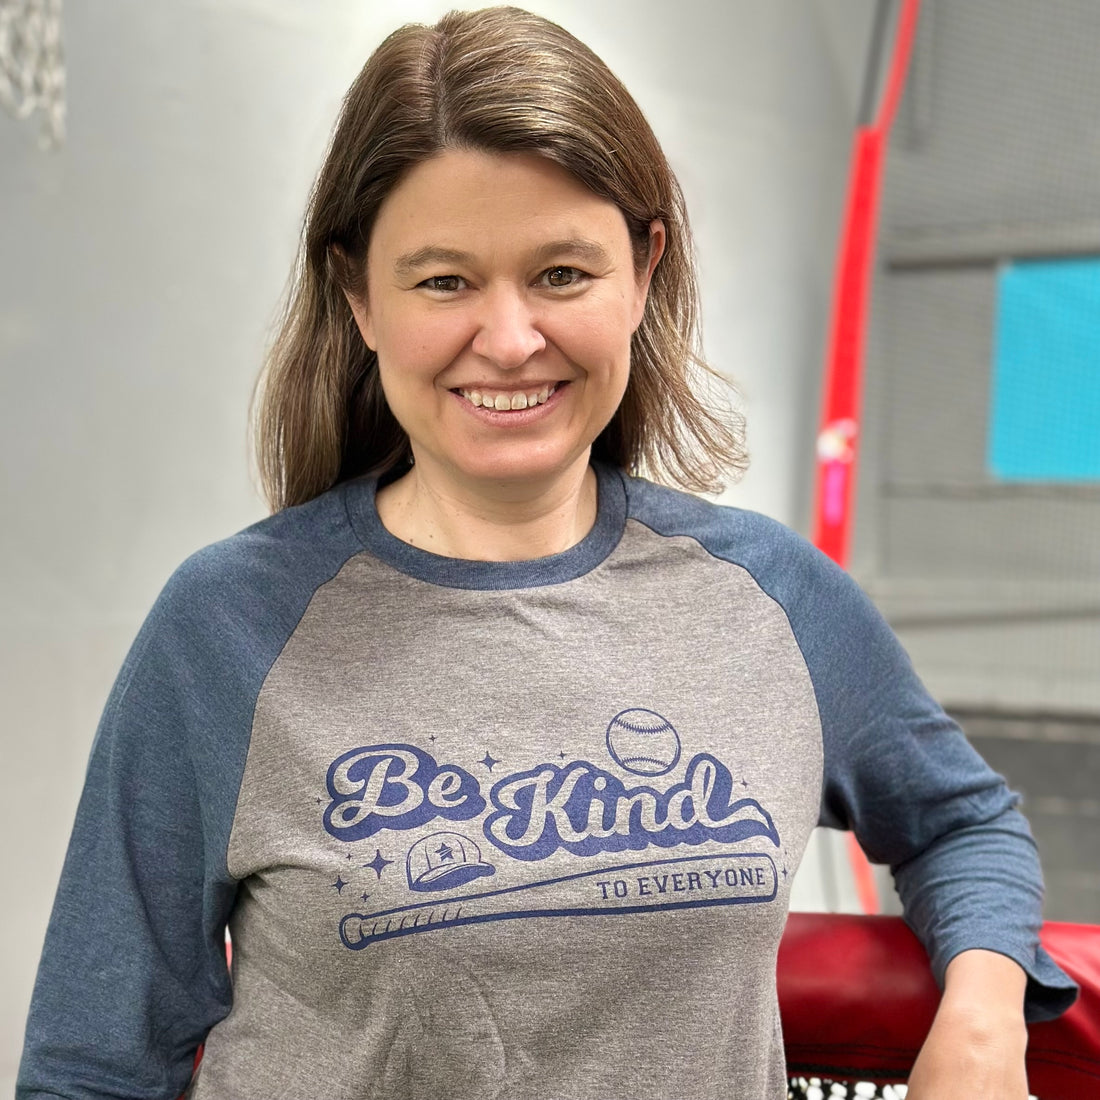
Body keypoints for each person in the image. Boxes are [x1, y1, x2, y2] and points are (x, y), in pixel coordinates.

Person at [17, 7, 1076, 1099]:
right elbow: (91, 1063)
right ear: (356, 294)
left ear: (641, 269)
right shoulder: (226, 629)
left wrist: (984, 1017)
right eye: (442, 281)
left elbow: (962, 818)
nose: (511, 337)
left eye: (562, 273)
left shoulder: (770, 598)